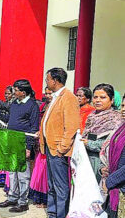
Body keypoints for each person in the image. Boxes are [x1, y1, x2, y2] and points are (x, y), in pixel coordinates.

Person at [0, 79, 39, 213]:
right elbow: (9, 119)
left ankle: (23, 201)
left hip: (22, 143)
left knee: (22, 174)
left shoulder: (32, 106)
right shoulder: (15, 103)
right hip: (11, 141)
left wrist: (28, 147)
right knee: (12, 172)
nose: (13, 93)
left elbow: (33, 127)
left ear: (23, 92)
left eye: (15, 90)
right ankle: (12, 197)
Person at [40, 67, 80, 218]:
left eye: (48, 79)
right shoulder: (56, 96)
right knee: (52, 185)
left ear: (55, 81)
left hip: (57, 150)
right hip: (50, 148)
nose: (46, 81)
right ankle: (52, 212)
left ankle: (61, 214)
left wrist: (62, 148)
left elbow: (71, 127)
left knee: (61, 186)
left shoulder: (68, 97)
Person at [82, 84, 123, 183]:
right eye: (95, 97)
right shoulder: (92, 116)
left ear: (111, 100)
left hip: (101, 162)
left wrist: (89, 144)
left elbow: (114, 144)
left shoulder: (116, 119)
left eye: (103, 97)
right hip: (85, 159)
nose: (98, 100)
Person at [28, 87, 53, 208]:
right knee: (38, 171)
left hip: (51, 145)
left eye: (50, 93)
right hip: (40, 143)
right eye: (46, 93)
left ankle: (46, 200)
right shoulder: (42, 106)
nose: (48, 95)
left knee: (46, 173)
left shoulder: (56, 107)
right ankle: (38, 198)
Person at [101, 121, 125, 218]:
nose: (123, 109)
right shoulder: (121, 128)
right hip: (116, 187)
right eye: (123, 105)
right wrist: (105, 168)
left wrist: (110, 181)